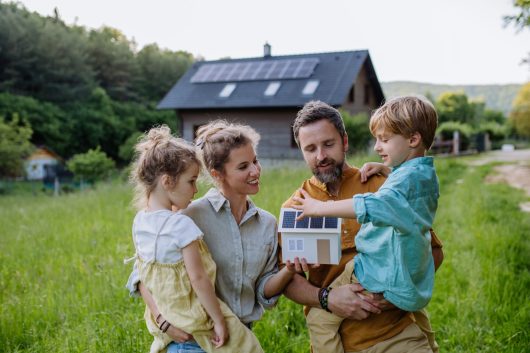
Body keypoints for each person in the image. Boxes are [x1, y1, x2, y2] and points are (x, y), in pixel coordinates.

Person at [280, 100, 444, 353]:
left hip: (396, 334)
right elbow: (287, 282)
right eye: (310, 148)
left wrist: (389, 297)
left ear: (344, 142)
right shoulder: (296, 206)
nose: (320, 156)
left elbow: (431, 252)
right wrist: (328, 299)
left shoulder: (381, 184)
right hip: (337, 341)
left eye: (328, 144)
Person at [126, 120, 297, 353]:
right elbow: (144, 273)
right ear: (218, 174)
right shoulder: (186, 216)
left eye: (255, 161)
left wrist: (290, 269)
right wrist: (164, 323)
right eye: (243, 166)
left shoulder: (267, 224)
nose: (255, 171)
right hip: (194, 338)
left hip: (239, 339)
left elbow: (262, 290)